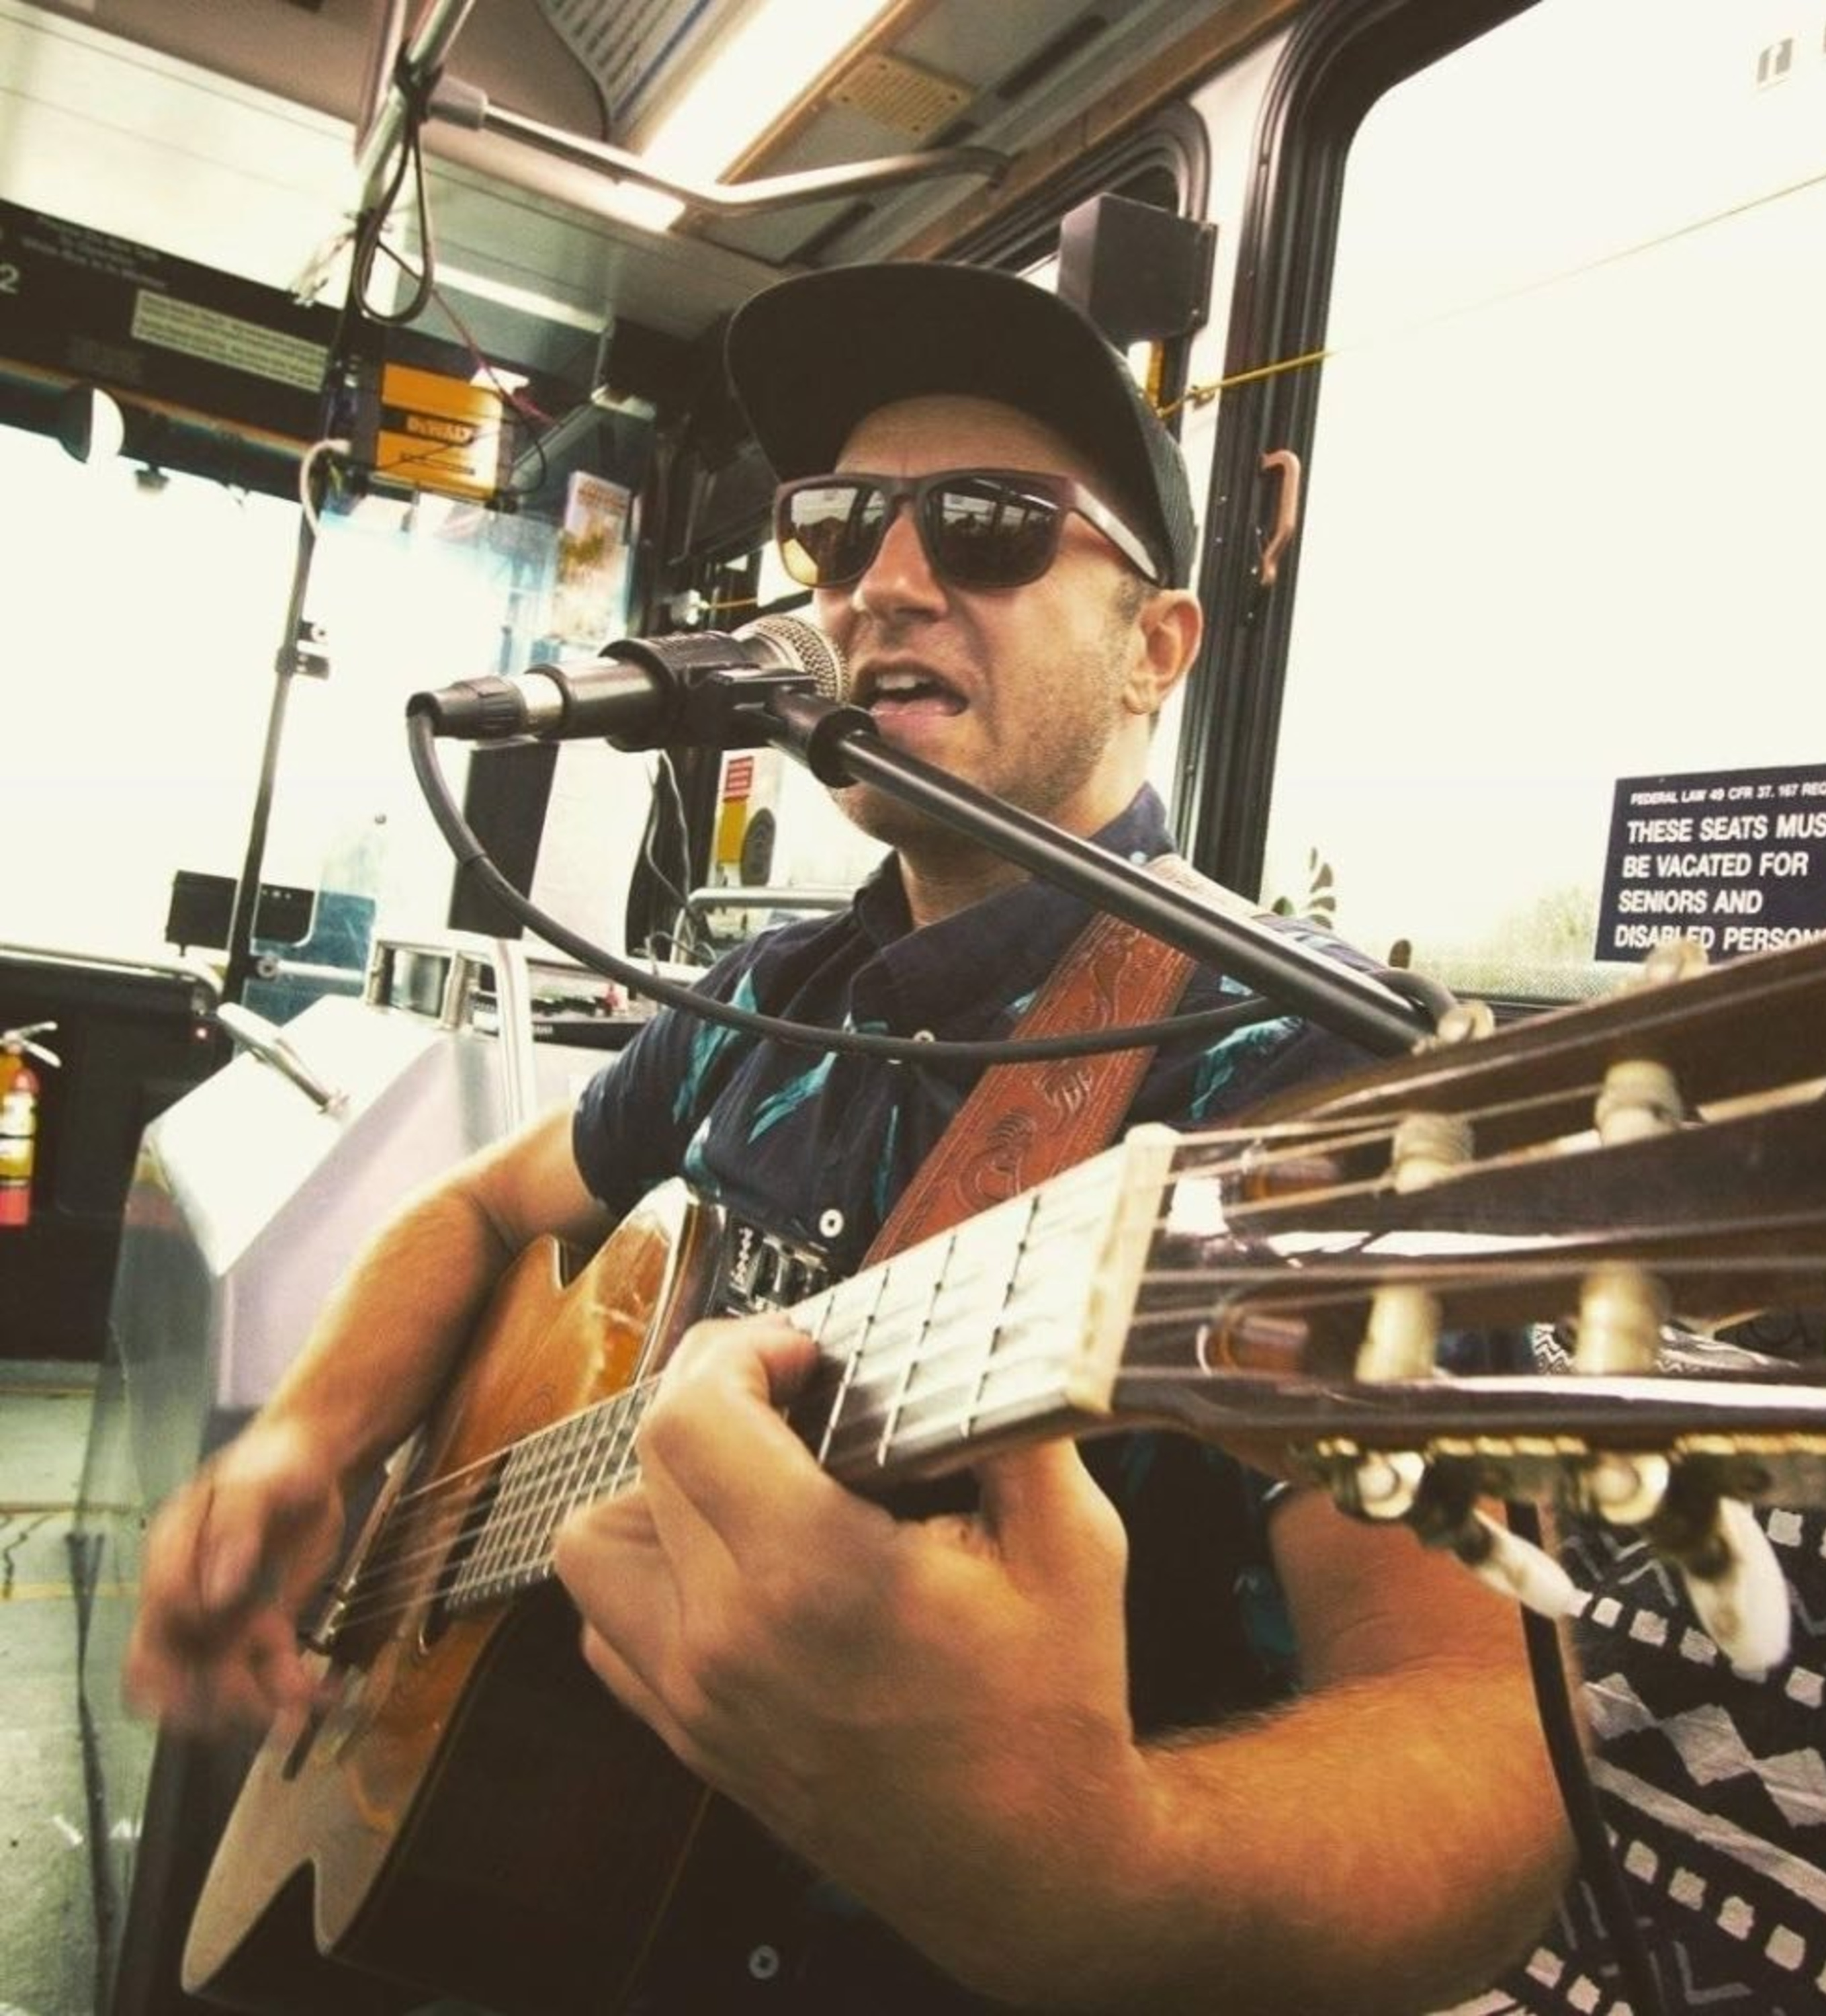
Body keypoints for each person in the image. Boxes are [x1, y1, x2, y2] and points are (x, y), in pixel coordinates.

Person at [124, 261, 1573, 2012]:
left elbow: (1489, 1762)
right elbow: (480, 1209)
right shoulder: (767, 996)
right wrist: (302, 1447)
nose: (883, 579)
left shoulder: (1300, 1075)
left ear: (1158, 650)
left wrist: (1107, 1871)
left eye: (989, 524)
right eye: (836, 526)